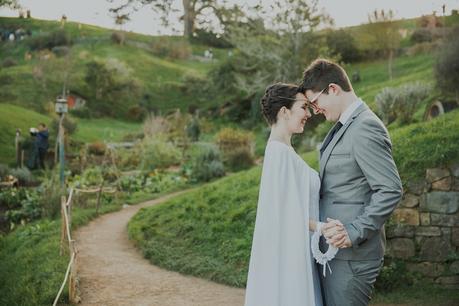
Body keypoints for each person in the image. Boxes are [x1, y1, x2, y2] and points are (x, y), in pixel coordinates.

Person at [299, 59, 402, 306]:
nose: (315, 111)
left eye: (315, 103)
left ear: (333, 89)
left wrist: (354, 231)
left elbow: (390, 189)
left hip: (352, 255)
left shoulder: (365, 126)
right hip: (334, 252)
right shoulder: (343, 126)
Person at [245, 83, 329, 306]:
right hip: (291, 255)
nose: (309, 114)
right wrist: (320, 227)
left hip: (299, 250)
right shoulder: (278, 153)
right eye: (304, 107)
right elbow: (283, 214)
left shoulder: (285, 151)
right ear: (284, 111)